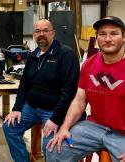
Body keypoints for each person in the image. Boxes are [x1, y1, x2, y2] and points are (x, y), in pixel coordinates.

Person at [46, 16, 125, 162]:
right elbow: (79, 101)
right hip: (94, 126)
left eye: (114, 33)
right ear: (97, 38)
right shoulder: (89, 63)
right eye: (102, 34)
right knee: (55, 150)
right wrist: (65, 127)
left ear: (124, 37)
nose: (107, 39)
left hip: (122, 135)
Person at [2, 19, 81, 162]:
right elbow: (24, 84)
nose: (41, 34)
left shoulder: (66, 55)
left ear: (53, 33)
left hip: (54, 111)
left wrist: (55, 119)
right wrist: (17, 108)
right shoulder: (33, 55)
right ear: (34, 35)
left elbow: (69, 92)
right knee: (9, 127)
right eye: (38, 31)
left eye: (45, 30)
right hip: (31, 108)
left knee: (50, 148)